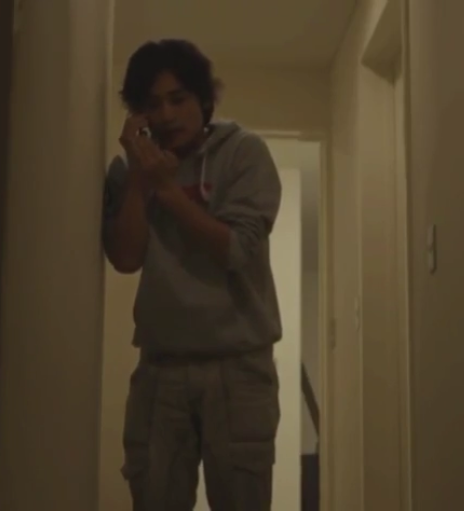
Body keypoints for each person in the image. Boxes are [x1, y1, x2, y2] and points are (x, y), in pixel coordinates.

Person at [102, 39, 283, 511]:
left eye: (178, 99)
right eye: (152, 104)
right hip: (160, 365)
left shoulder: (243, 152)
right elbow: (125, 257)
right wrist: (140, 182)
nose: (166, 115)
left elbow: (237, 249)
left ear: (203, 99)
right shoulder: (132, 170)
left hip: (238, 366)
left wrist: (167, 190)